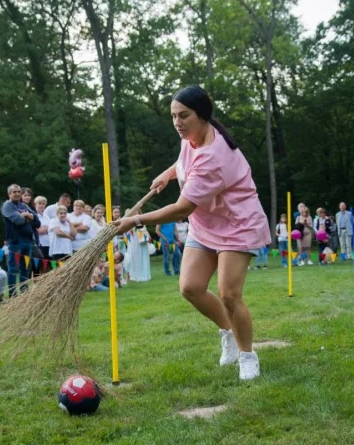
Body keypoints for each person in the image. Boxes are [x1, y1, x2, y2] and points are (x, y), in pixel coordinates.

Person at [113, 85, 270, 380]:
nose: (177, 123)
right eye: (173, 116)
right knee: (190, 287)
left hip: (237, 225)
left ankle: (247, 354)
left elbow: (181, 209)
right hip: (207, 223)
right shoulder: (194, 137)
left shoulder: (215, 157)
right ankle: (228, 332)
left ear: (202, 115)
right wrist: (169, 173)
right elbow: (186, 160)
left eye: (184, 116)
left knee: (229, 295)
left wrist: (134, 221)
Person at [1, 184, 40, 297]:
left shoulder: (24, 206)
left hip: (28, 241)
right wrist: (28, 217)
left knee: (25, 268)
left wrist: (25, 214)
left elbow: (37, 222)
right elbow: (17, 221)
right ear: (9, 194)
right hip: (15, 241)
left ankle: (24, 293)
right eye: (14, 192)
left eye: (19, 192)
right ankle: (13, 294)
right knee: (13, 268)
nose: (17, 194)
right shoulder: (7, 206)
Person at [125, 213, 152, 282]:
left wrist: (148, 237)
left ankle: (143, 275)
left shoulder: (142, 222)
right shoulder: (130, 223)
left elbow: (144, 230)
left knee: (143, 258)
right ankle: (134, 275)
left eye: (138, 213)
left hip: (142, 242)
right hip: (134, 242)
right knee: (133, 259)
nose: (136, 214)